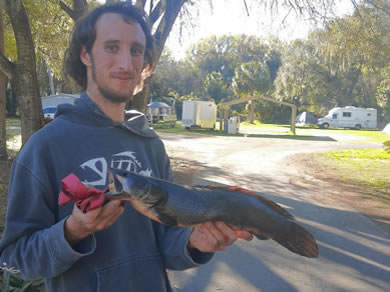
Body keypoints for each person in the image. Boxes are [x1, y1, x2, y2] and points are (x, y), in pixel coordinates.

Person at [0, 3, 252, 292]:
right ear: (85, 54)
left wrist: (194, 243)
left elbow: (164, 244)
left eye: (135, 50)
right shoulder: (45, 147)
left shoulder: (150, 144)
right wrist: (73, 231)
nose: (125, 63)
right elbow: (13, 260)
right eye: (111, 47)